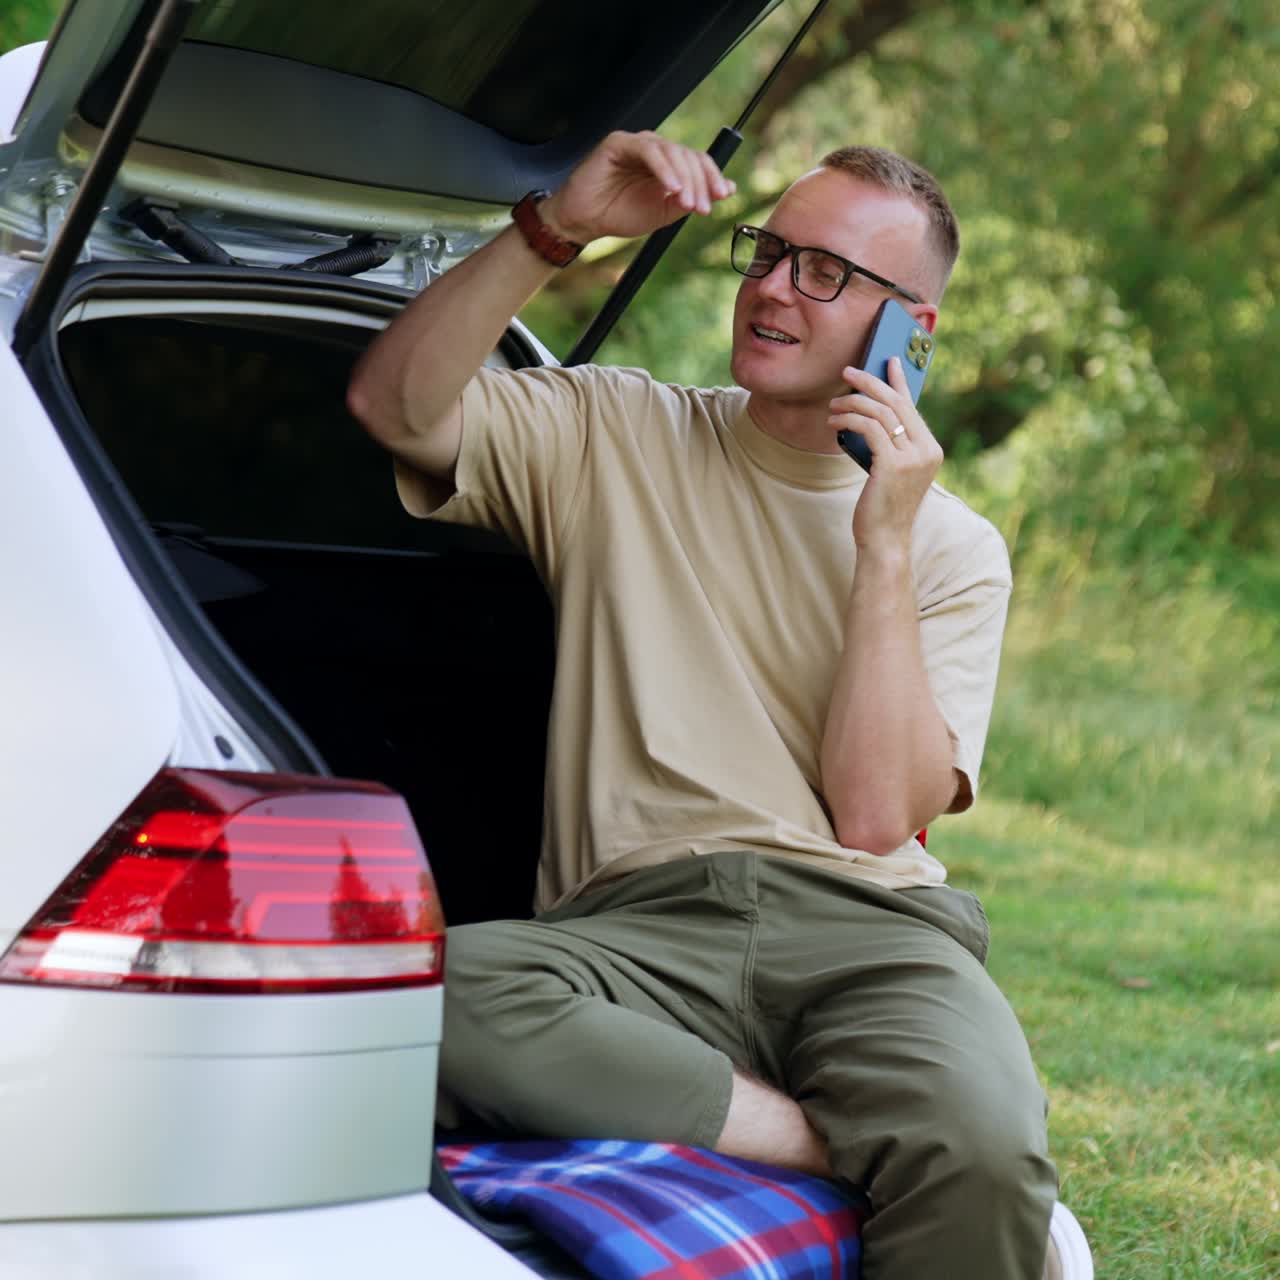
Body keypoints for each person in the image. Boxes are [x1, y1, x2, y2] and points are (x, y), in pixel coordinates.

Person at [348, 130, 1062, 1279]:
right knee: (432, 986)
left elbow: (876, 814)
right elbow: (394, 401)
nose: (775, 286)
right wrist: (555, 227)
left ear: (908, 331)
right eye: (768, 252)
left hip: (868, 939)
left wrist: (879, 546)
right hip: (631, 932)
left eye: (825, 272)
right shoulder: (609, 429)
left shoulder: (950, 547)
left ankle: (880, 1136)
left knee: (981, 1145)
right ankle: (825, 1141)